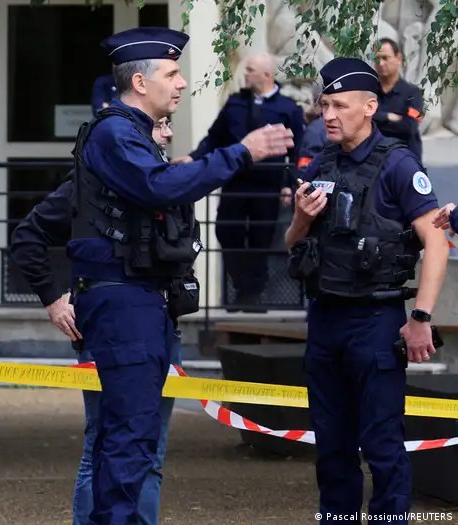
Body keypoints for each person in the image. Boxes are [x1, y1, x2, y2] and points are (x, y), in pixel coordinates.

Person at [69, 27, 293, 524]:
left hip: (144, 303)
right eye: (171, 73)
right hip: (124, 304)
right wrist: (242, 152)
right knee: (128, 444)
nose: (183, 83)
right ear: (141, 83)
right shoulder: (115, 133)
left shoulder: (132, 135)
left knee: (131, 442)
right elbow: (157, 187)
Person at [284, 57, 447, 525]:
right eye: (324, 104)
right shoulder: (323, 162)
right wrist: (301, 217)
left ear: (369, 107)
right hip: (325, 320)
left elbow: (436, 239)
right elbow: (291, 243)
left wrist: (420, 318)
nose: (328, 114)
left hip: (376, 323)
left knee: (382, 446)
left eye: (339, 105)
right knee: (332, 449)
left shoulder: (397, 164)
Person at [8, 116, 180, 525]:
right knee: (101, 444)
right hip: (109, 330)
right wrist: (53, 299)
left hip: (161, 325)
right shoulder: (89, 186)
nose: (169, 133)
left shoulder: (162, 185)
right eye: (161, 125)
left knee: (150, 451)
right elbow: (26, 237)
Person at [175, 53, 304, 312]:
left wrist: (290, 184)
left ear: (267, 75)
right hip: (235, 180)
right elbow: (214, 138)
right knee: (226, 231)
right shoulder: (235, 103)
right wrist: (192, 157)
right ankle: (243, 287)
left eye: (251, 70)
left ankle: (252, 295)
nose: (246, 74)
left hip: (267, 186)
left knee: (261, 238)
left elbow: (297, 151)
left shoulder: (288, 108)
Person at [372, 38, 425, 158]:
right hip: (373, 160)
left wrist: (375, 118)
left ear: (399, 58)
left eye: (385, 58)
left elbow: (410, 126)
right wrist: (388, 117)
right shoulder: (369, 92)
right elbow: (360, 120)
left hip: (405, 159)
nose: (380, 63)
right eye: (377, 58)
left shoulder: (414, 94)